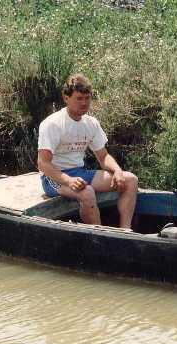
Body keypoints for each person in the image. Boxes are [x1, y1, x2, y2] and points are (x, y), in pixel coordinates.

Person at [37, 73, 138, 229]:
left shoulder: (91, 123)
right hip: (54, 178)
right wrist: (68, 181)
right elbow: (43, 163)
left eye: (87, 98)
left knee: (130, 180)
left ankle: (125, 231)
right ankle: (98, 236)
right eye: (79, 98)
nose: (84, 103)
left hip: (79, 172)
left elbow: (103, 156)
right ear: (66, 98)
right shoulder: (53, 124)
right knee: (87, 192)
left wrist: (117, 171)